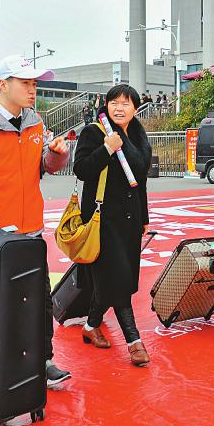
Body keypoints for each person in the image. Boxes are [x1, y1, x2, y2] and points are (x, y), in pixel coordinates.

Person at [0, 54, 72, 386]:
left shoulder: (35, 121)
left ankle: (43, 361)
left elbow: (43, 167)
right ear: (3, 84)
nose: (32, 89)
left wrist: (55, 154)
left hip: (31, 230)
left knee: (39, 302)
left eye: (35, 83)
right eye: (25, 83)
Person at [74, 84, 153, 366]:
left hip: (130, 221)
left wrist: (144, 218)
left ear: (135, 108)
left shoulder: (139, 135)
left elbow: (140, 181)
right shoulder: (95, 131)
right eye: (114, 102)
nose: (119, 108)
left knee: (119, 278)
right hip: (102, 219)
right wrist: (106, 149)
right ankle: (134, 341)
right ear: (106, 104)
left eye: (126, 103)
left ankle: (91, 325)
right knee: (118, 280)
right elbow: (81, 170)